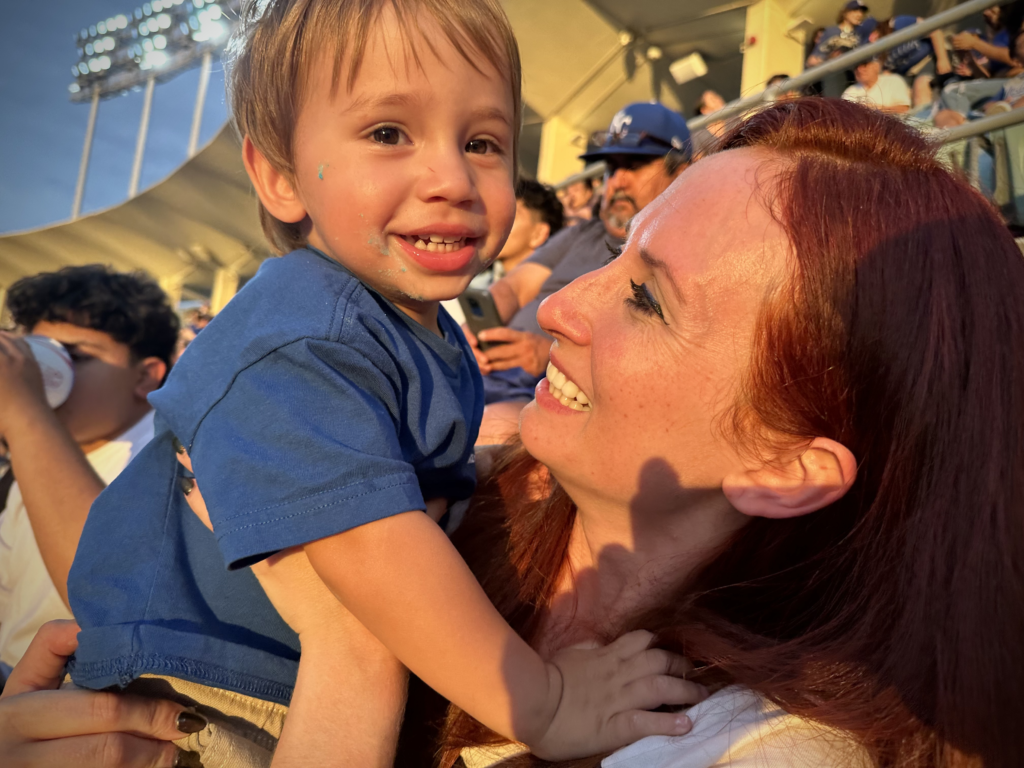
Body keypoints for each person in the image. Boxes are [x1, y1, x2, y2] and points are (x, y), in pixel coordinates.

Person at [9, 97, 1023, 768]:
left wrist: (351, 650)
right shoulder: (457, 493)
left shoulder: (762, 751)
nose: (564, 308)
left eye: (649, 300)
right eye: (617, 259)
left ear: (787, 466)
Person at [64, 1, 695, 765]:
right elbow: (371, 547)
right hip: (191, 690)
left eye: (483, 141)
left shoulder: (418, 326)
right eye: (389, 133)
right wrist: (546, 701)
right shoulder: (298, 330)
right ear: (279, 175)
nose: (452, 178)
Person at [468, 101, 690, 445]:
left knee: (470, 434)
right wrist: (476, 324)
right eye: (610, 167)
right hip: (484, 369)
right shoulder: (582, 233)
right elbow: (516, 287)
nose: (615, 181)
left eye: (633, 164)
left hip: (549, 390)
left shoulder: (678, 252)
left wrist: (547, 353)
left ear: (682, 171)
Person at [0, 265, 178, 677]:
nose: (39, 375)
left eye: (73, 356)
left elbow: (115, 595)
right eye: (34, 354)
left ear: (144, 376)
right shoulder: (29, 457)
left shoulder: (171, 461)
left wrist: (24, 413)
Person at [443, 179, 563, 325]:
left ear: (538, 234)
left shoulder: (546, 304)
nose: (496, 222)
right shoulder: (479, 281)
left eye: (512, 215)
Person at [876, 15, 952, 107]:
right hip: (907, 75)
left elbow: (934, 31)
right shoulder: (875, 53)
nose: (872, 38)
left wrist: (942, 59)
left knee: (920, 86)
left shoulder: (898, 23)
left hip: (928, 58)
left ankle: (925, 120)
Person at [842, 56, 912, 113]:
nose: (860, 70)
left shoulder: (893, 80)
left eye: (865, 65)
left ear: (876, 66)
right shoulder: (850, 91)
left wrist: (874, 109)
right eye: (856, 67)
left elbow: (904, 109)